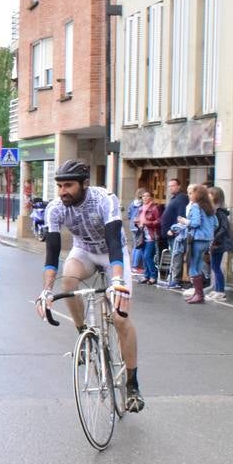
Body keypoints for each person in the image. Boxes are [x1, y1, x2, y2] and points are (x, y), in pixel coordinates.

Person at [33, 159, 145, 412]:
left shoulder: (104, 199)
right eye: (60, 186)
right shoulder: (56, 209)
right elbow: (51, 255)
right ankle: (84, 331)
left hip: (112, 255)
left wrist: (117, 281)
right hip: (84, 252)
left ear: (84, 184)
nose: (63, 191)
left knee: (120, 318)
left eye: (69, 185)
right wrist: (47, 291)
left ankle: (132, 383)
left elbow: (115, 241)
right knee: (69, 279)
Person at [179, 183, 216, 304]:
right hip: (207, 240)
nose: (189, 196)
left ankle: (199, 295)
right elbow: (216, 224)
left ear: (197, 195)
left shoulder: (195, 206)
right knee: (199, 265)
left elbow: (195, 223)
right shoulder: (209, 207)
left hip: (197, 239)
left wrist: (185, 221)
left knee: (193, 266)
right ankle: (197, 294)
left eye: (192, 193)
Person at [159, 178, 189, 287]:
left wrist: (173, 230)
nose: (171, 188)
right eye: (169, 186)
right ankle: (174, 278)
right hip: (169, 234)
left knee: (177, 256)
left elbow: (181, 216)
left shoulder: (181, 198)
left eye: (173, 185)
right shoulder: (174, 198)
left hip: (176, 234)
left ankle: (176, 280)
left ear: (179, 186)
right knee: (174, 255)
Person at [209, 186, 233, 301]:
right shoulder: (216, 212)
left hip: (220, 243)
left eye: (210, 195)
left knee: (216, 267)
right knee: (215, 266)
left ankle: (221, 291)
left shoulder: (220, 212)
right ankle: (217, 289)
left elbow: (223, 228)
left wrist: (214, 237)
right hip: (217, 242)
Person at [137, 190, 162, 284]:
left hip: (151, 235)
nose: (145, 198)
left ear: (151, 197)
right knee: (144, 256)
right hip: (142, 235)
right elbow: (139, 220)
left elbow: (159, 221)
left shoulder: (154, 208)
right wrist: (137, 223)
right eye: (143, 196)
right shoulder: (140, 208)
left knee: (148, 256)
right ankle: (146, 275)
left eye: (147, 196)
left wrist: (149, 223)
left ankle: (153, 276)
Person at [127, 188, 146, 274]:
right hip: (138, 226)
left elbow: (129, 215)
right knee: (138, 246)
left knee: (135, 246)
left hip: (132, 226)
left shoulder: (132, 204)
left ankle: (134, 265)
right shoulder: (142, 205)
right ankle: (135, 266)